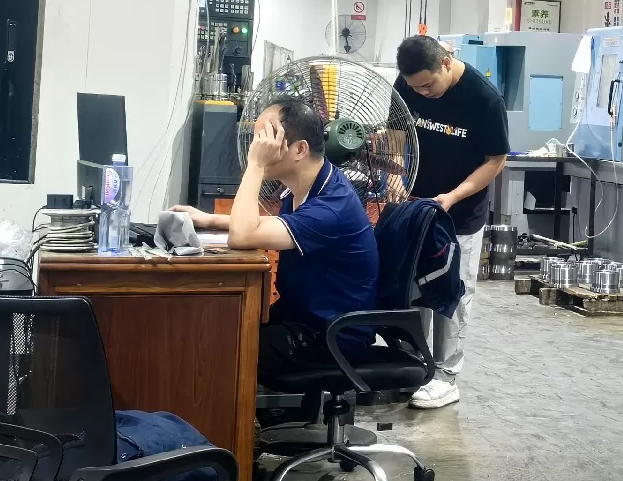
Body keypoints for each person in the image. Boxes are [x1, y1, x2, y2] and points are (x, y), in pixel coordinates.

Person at [179, 96, 377, 378]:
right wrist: (210, 219)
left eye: (267, 138)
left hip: (331, 335)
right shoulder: (309, 187)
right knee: (212, 325)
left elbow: (243, 236)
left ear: (300, 149)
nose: (258, 147)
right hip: (299, 317)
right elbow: (277, 225)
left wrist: (255, 166)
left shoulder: (332, 206)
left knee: (217, 345)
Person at [391, 35, 510, 409]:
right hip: (414, 206)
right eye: (415, 88)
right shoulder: (407, 85)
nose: (422, 93)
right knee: (412, 288)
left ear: (445, 62)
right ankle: (412, 366)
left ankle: (446, 376)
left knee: (451, 294)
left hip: (459, 213)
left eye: (428, 85)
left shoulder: (484, 99)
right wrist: (395, 173)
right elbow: (395, 133)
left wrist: (454, 196)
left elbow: (495, 160)